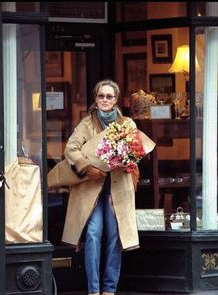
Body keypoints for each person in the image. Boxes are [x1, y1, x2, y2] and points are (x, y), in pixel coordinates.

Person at [62, 79, 140, 295]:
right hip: (92, 187)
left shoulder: (127, 124)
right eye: (101, 96)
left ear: (116, 100)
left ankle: (109, 289)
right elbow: (71, 149)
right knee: (93, 234)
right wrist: (86, 168)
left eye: (109, 96)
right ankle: (93, 290)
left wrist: (127, 159)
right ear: (95, 100)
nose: (105, 100)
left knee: (115, 236)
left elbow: (136, 149)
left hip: (118, 188)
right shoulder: (86, 124)